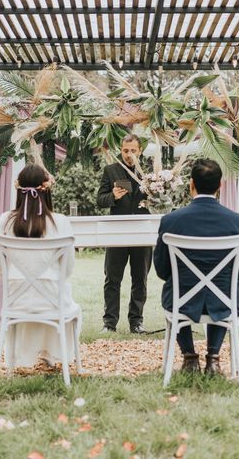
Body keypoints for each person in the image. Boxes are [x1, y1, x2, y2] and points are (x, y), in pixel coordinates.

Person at [153, 159, 239, 374]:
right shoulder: (238, 223)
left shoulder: (171, 221)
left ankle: (189, 357)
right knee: (226, 287)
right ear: (220, 187)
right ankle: (214, 358)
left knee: (177, 289)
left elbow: (161, 270)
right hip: (224, 300)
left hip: (182, 300)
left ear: (191, 185)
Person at [0, 164, 79, 367]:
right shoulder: (61, 222)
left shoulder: (5, 221)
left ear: (18, 189)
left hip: (16, 300)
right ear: (46, 189)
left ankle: (20, 358)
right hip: (52, 301)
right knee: (64, 293)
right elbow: (68, 270)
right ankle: (55, 354)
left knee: (41, 291)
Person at [96, 134, 152, 334]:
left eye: (133, 151)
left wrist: (154, 193)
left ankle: (136, 322)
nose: (129, 155)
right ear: (121, 150)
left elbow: (161, 197)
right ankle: (109, 323)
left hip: (142, 232)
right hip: (117, 232)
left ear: (140, 151)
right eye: (125, 151)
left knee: (140, 278)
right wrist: (112, 196)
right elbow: (99, 199)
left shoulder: (150, 171)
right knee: (112, 278)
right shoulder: (110, 170)